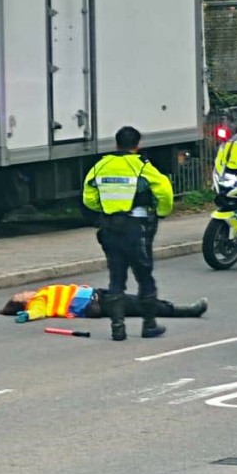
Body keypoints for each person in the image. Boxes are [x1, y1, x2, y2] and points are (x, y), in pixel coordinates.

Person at [82, 125, 174, 341]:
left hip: (110, 228)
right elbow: (164, 191)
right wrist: (161, 212)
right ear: (137, 145)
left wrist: (105, 209)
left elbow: (88, 196)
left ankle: (118, 328)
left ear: (116, 144)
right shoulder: (141, 165)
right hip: (136, 228)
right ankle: (149, 325)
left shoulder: (101, 165)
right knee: (144, 277)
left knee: (116, 278)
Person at [0, 283, 207, 321]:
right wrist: (26, 315)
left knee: (139, 302)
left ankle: (174, 308)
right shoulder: (37, 301)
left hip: (98, 296)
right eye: (20, 296)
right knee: (140, 305)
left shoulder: (42, 293)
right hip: (97, 304)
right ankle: (187, 311)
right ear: (23, 303)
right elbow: (38, 311)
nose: (24, 292)